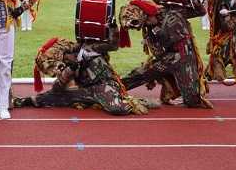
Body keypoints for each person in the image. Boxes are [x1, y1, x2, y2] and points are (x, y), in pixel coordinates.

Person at [18, 36, 153, 115]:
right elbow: (57, 87)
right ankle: (26, 101)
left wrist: (112, 27)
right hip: (86, 90)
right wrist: (70, 69)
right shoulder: (67, 66)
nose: (57, 69)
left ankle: (133, 99)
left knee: (118, 109)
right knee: (55, 96)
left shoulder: (88, 48)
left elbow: (113, 45)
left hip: (104, 84)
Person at [119, 0, 213, 108]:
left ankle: (192, 88)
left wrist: (192, 0)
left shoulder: (171, 13)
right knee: (142, 74)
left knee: (192, 101)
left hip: (183, 57)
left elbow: (200, 11)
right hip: (166, 58)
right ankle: (116, 87)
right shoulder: (148, 26)